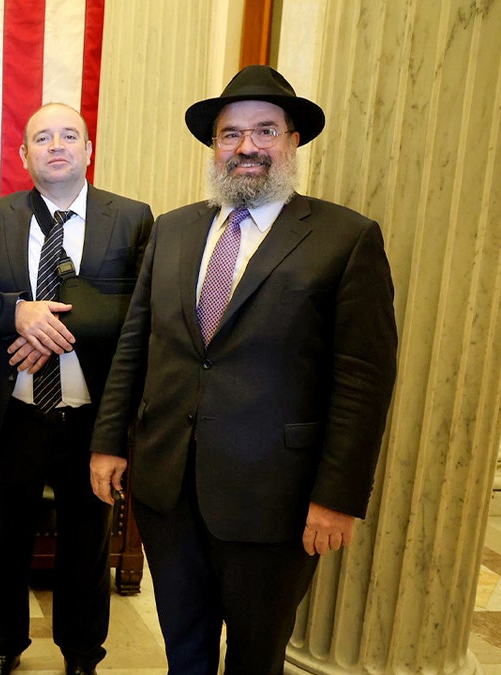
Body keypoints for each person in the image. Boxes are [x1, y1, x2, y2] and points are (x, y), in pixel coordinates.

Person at [89, 65, 399, 673]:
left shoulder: (345, 237)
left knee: (257, 653)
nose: (247, 147)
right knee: (185, 644)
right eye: (231, 134)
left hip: (274, 495)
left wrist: (338, 496)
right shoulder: (174, 230)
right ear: (214, 146)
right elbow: (136, 345)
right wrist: (108, 442)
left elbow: (364, 380)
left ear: (292, 141)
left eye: (265, 131)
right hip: (167, 486)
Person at [0, 102, 153, 675]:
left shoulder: (132, 218)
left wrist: (56, 332)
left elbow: (142, 312)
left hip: (92, 415)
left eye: (69, 135)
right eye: (42, 137)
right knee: (4, 540)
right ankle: (3, 645)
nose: (56, 145)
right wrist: (17, 313)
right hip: (15, 410)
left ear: (89, 150)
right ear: (23, 155)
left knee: (86, 545)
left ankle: (81, 655)